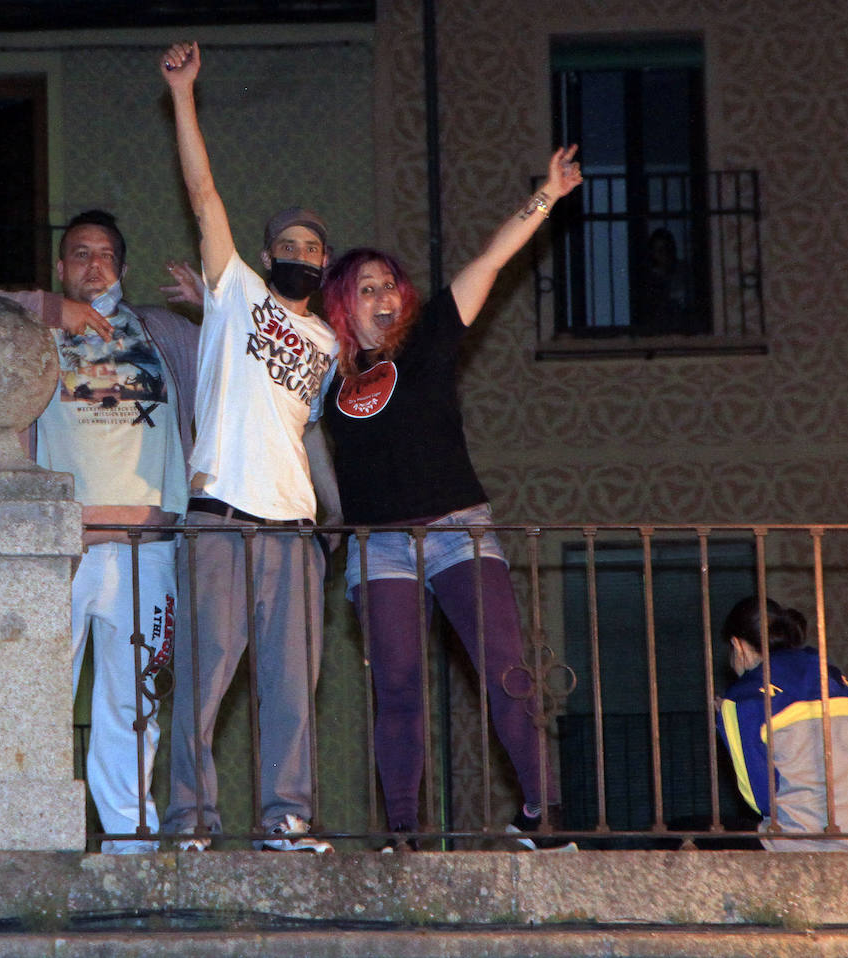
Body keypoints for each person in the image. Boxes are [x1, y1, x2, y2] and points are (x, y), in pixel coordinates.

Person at [316, 145, 583, 851]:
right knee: (398, 687)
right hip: (378, 545)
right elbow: (300, 428)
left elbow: (492, 260)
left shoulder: (430, 335)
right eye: (366, 289)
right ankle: (402, 828)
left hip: (458, 529)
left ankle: (542, 812)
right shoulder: (327, 374)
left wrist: (547, 197)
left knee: (508, 672)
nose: (383, 297)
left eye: (388, 286)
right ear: (344, 303)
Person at [0, 209, 199, 853]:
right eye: (79, 254)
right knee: (37, 696)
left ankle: (130, 845)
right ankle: (30, 839)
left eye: (106, 254)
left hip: (148, 553)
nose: (94, 264)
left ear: (123, 268)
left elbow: (241, 347)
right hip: (60, 552)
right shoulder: (33, 330)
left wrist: (211, 301)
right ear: (60, 267)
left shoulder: (161, 332)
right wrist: (51, 308)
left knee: (134, 708)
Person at [160, 41, 341, 853]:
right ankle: (192, 822)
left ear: (323, 264)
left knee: (291, 692)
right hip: (220, 518)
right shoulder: (236, 293)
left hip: (294, 532)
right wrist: (183, 95)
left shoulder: (331, 344)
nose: (299, 254)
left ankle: (287, 820)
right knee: (201, 681)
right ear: (267, 257)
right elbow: (202, 195)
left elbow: (322, 432)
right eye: (288, 246)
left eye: (312, 248)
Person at [715, 596, 848, 851]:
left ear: (738, 646)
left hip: (807, 847)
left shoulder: (742, 698)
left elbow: (761, 801)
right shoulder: (831, 675)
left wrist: (725, 722)